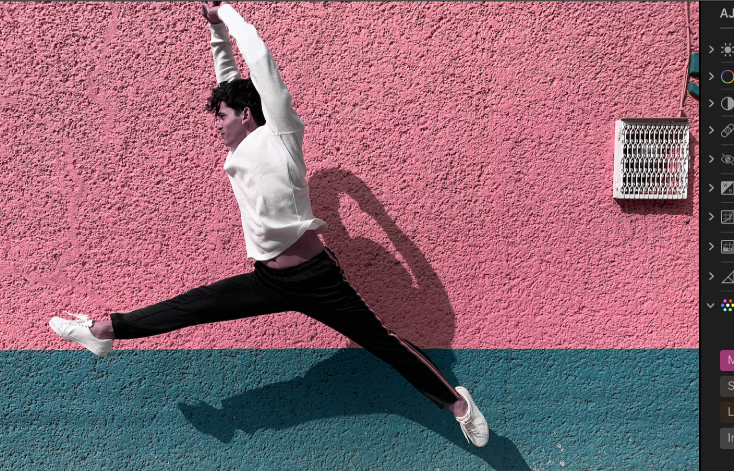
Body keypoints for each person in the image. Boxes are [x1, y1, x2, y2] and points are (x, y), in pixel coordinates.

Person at [48, 1, 489, 448]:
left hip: (317, 280)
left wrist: (229, 14)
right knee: (193, 306)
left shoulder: (280, 131)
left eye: (221, 116)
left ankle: (458, 405)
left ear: (246, 114)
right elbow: (228, 78)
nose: (216, 125)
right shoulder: (237, 148)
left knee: (385, 343)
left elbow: (257, 60)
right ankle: (103, 332)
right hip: (268, 279)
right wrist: (216, 31)